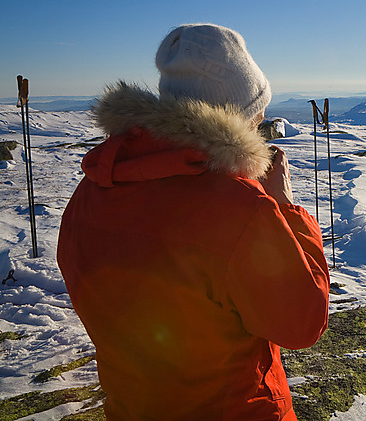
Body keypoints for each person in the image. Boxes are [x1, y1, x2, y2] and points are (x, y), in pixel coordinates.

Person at [58, 24, 330, 420]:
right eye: (257, 117)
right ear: (236, 118)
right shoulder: (240, 210)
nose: (261, 125)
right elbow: (302, 322)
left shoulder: (97, 186)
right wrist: (285, 207)